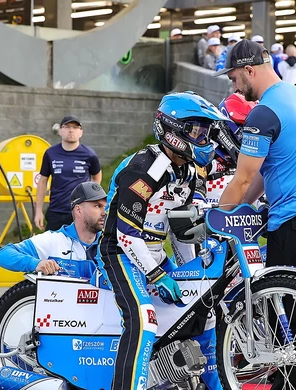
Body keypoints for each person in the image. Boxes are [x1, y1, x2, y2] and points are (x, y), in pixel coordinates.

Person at [215, 39, 296, 389]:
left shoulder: (264, 113)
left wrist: (216, 217)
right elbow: (266, 171)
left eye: (233, 77)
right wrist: (243, 204)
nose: (234, 86)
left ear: (248, 69)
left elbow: (243, 177)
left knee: (290, 321)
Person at [98, 91, 227, 390]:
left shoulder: (192, 170)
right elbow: (126, 235)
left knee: (204, 311)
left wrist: (193, 274)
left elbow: (181, 229)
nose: (203, 137)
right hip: (119, 253)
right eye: (196, 130)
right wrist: (157, 275)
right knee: (143, 321)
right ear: (172, 129)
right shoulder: (144, 168)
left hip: (154, 252)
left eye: (206, 131)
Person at [0, 182, 106, 278]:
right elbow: (3, 255)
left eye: (105, 207)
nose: (104, 212)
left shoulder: (111, 244)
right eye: (97, 206)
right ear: (78, 210)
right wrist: (35, 264)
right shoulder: (53, 240)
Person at [35, 115, 102, 231]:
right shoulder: (50, 153)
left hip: (80, 213)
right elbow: (42, 182)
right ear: (60, 131)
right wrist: (38, 211)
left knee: (81, 247)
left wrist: (90, 202)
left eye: (75, 127)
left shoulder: (89, 154)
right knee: (54, 247)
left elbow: (97, 178)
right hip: (56, 211)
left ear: (81, 132)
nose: (71, 130)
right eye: (67, 127)